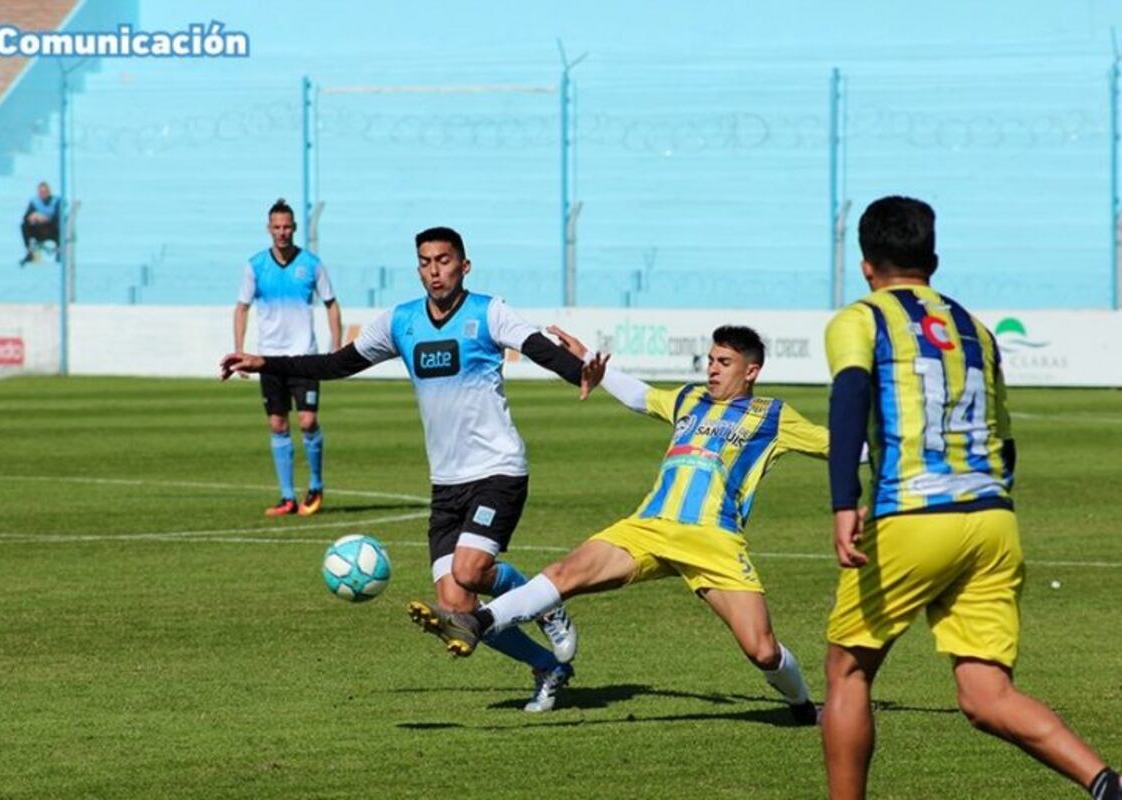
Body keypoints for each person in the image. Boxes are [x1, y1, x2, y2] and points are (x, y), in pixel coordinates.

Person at [822, 195, 1119, 800]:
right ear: (932, 257)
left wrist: (842, 498)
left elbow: (849, 395)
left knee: (848, 671)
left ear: (865, 263)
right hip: (991, 521)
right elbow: (1005, 443)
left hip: (910, 514)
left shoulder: (860, 318)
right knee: (987, 696)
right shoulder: (975, 330)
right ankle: (1108, 785)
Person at [221, 226, 585, 712]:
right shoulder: (401, 322)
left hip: (497, 468)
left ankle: (547, 601)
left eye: (444, 261)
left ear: (464, 265)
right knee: (456, 608)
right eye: (426, 262)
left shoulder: (488, 311)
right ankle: (547, 668)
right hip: (446, 482)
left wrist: (578, 371)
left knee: (471, 569)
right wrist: (265, 361)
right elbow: (337, 363)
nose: (435, 271)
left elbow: (537, 345)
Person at [407, 324, 828, 724]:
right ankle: (474, 623)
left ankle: (804, 707)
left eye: (724, 362)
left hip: (712, 539)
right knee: (564, 573)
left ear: (751, 371)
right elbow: (640, 396)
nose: (712, 369)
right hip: (648, 528)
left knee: (762, 651)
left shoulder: (771, 415)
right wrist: (588, 357)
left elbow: (836, 446)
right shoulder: (688, 399)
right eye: (711, 360)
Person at [234, 198, 342, 517]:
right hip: (269, 358)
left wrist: (335, 347)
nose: (282, 232)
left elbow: (331, 304)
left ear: (294, 228)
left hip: (304, 357)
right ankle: (287, 497)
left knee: (308, 421)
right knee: (278, 424)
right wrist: (240, 349)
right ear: (269, 229)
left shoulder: (311, 264)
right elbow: (241, 308)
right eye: (276, 227)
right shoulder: (255, 265)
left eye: (287, 227)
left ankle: (316, 487)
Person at [19, 181, 60, 265]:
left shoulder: (56, 201)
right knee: (24, 225)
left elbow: (58, 216)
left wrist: (45, 218)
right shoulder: (35, 202)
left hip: (51, 229)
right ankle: (29, 252)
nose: (43, 194)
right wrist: (31, 217)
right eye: (41, 192)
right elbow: (26, 217)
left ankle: (59, 253)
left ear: (49, 192)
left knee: (59, 225)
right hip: (39, 230)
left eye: (45, 192)